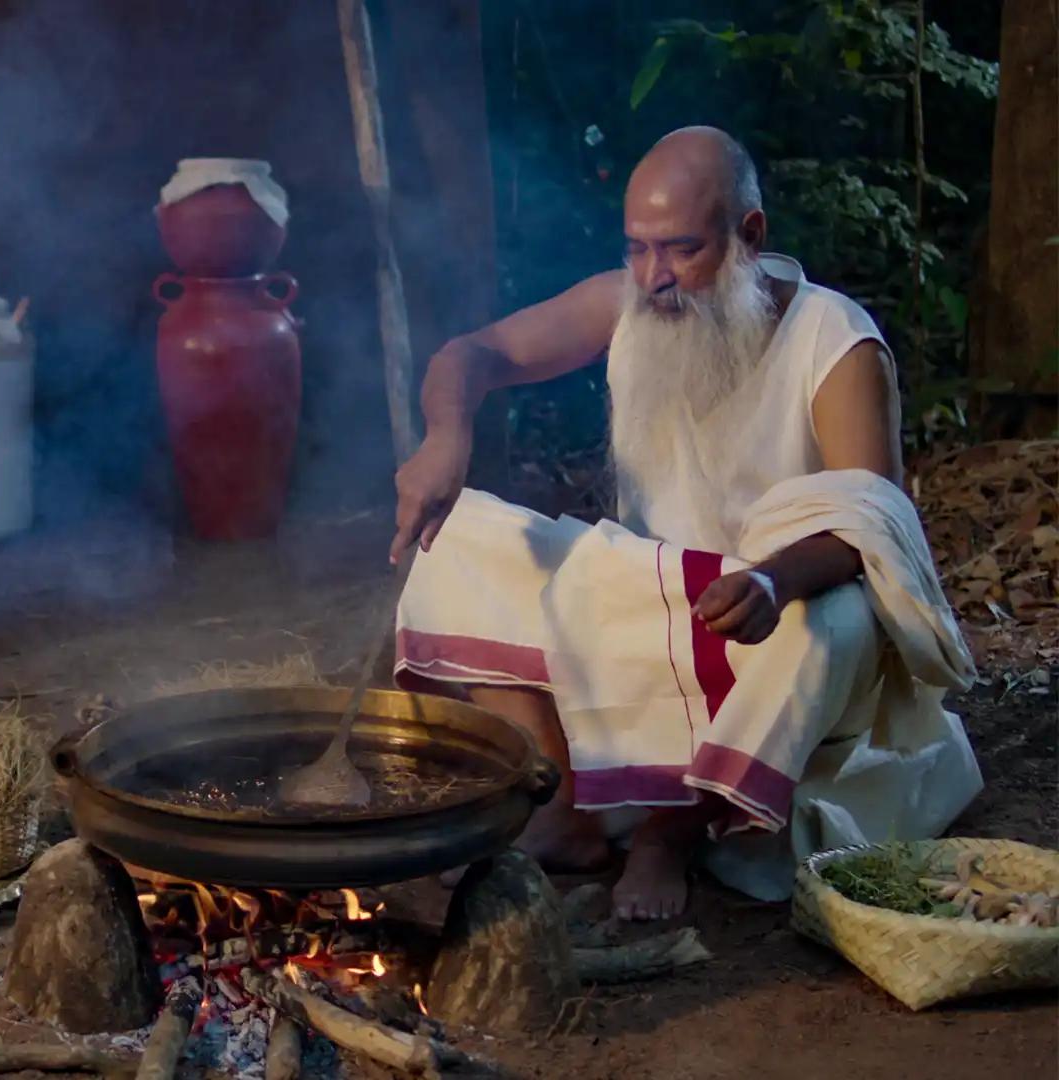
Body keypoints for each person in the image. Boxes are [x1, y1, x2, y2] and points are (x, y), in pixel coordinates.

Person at [389, 126, 980, 920]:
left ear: (750, 236)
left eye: (680, 251)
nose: (653, 278)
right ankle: (560, 811)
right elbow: (471, 355)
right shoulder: (627, 302)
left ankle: (671, 836)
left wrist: (772, 581)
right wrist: (447, 436)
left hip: (783, 604)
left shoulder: (834, 341)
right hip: (658, 597)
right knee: (454, 540)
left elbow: (868, 522)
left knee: (820, 628)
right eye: (636, 249)